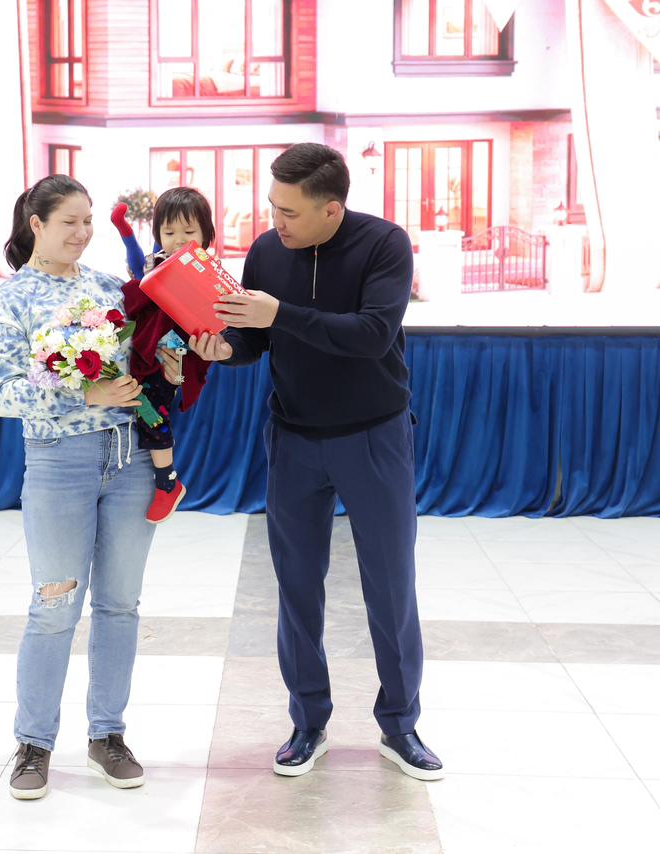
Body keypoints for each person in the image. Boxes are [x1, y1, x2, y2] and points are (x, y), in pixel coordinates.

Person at [189, 143, 444, 781]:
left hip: (374, 436)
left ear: (332, 209)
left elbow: (372, 335)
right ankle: (308, 721)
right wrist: (224, 350)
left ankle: (401, 725)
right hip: (294, 438)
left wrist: (280, 313)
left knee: (391, 584)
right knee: (297, 585)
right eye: (272, 207)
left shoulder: (384, 245)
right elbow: (254, 339)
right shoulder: (266, 251)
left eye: (290, 212)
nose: (276, 221)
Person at [0, 174, 182, 800]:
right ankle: (33, 743)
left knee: (120, 605)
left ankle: (107, 735)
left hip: (129, 460)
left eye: (88, 220)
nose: (83, 232)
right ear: (36, 224)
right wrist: (81, 392)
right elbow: (0, 394)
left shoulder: (110, 290)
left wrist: (171, 364)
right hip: (57, 465)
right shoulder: (10, 301)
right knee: (54, 605)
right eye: (69, 221)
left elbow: (144, 368)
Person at [111, 187, 216, 523]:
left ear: (206, 235)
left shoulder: (208, 274)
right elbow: (137, 281)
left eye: (189, 232)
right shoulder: (155, 263)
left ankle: (167, 481)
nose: (178, 240)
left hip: (173, 352)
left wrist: (179, 362)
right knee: (144, 408)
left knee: (153, 413)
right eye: (169, 233)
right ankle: (165, 480)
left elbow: (207, 332)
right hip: (144, 349)